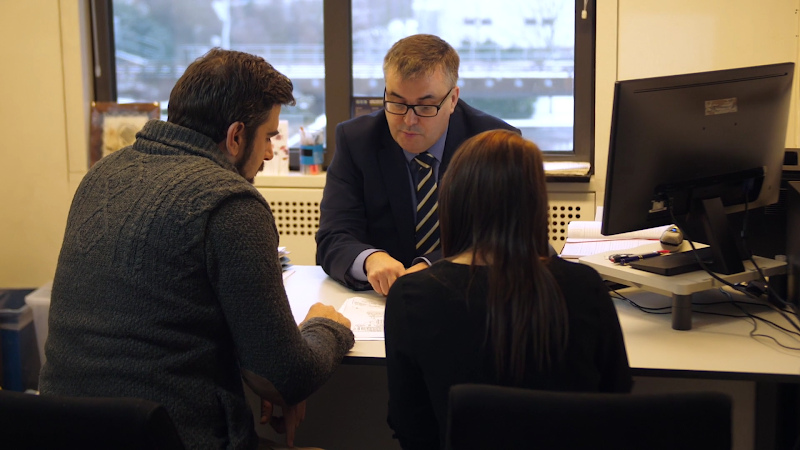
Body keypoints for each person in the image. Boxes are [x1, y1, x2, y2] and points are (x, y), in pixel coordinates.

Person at [39, 48, 355, 450]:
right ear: (236, 136)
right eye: (269, 136)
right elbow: (287, 376)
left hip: (56, 432)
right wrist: (326, 326)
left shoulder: (102, 174)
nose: (270, 152)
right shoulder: (230, 202)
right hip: (170, 437)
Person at [384, 130, 633, 449]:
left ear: (452, 199)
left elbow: (410, 426)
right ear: (535, 203)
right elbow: (616, 401)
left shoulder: (412, 296)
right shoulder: (585, 286)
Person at [316, 34, 519, 294]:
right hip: (381, 300)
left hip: (468, 295)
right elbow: (333, 235)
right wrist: (370, 259)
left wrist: (431, 267)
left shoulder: (493, 143)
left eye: (425, 107)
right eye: (397, 103)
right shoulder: (357, 141)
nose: (408, 121)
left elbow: (504, 238)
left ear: (453, 100)